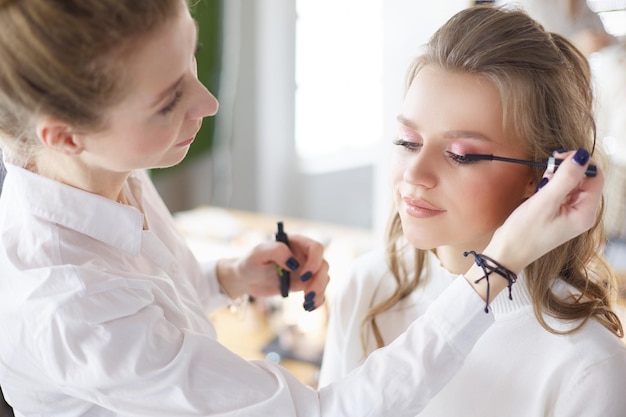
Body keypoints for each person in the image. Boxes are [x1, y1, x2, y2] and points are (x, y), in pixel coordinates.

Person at [0, 1, 606, 415]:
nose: (207, 103)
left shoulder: (101, 172)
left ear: (544, 178)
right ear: (66, 134)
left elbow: (148, 288)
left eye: (191, 62)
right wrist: (494, 270)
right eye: (167, 101)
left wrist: (228, 277)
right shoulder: (63, 303)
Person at [319, 5, 626, 417]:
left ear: (543, 176)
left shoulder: (587, 367)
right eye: (408, 141)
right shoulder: (368, 288)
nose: (416, 173)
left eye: (461, 156)